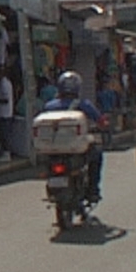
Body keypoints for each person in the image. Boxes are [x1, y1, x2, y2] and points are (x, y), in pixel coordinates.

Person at [43, 71, 105, 204]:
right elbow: (100, 120)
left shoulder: (50, 106)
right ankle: (93, 190)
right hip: (76, 148)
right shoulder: (84, 105)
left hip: (53, 148)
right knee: (97, 155)